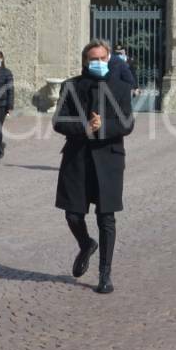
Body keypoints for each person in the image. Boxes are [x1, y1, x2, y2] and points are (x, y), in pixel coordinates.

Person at [55, 40, 134, 294]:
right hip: (77, 157)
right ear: (85, 61)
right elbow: (59, 121)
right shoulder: (71, 86)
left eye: (102, 58)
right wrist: (85, 128)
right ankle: (86, 244)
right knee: (73, 215)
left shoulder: (121, 87)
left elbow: (127, 123)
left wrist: (104, 127)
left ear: (109, 58)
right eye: (93, 59)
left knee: (106, 217)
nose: (98, 62)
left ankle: (104, 274)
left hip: (108, 159)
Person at [109, 44, 139, 108]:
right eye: (117, 51)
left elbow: (134, 74)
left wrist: (136, 87)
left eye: (121, 50)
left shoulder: (130, 61)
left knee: (127, 104)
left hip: (128, 86)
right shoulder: (111, 61)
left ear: (124, 51)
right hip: (116, 86)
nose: (119, 52)